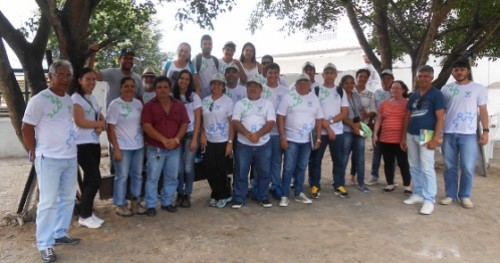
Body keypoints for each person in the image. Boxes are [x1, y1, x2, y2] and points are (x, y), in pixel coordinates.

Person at [22, 60, 81, 263]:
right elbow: (26, 128)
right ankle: (45, 244)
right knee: (47, 203)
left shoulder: (68, 100)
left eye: (68, 75)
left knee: (67, 198)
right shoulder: (39, 100)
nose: (65, 79)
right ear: (51, 76)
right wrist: (34, 151)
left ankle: (59, 232)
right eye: (61, 75)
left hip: (69, 157)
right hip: (48, 159)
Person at [440, 58, 489, 208]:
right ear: (452, 72)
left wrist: (485, 131)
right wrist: (439, 132)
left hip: (468, 134)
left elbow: (483, 110)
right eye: (456, 70)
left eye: (462, 69)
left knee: (468, 166)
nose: (459, 72)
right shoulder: (446, 89)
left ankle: (465, 195)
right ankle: (450, 195)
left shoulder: (478, 88)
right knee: (450, 166)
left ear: (467, 71)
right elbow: (442, 112)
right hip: (448, 133)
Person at [142, 76, 189, 216]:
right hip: (155, 147)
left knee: (172, 176)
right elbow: (147, 126)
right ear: (155, 90)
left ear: (169, 88)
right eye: (159, 87)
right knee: (152, 177)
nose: (162, 90)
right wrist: (163, 140)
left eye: (165, 87)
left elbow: (185, 123)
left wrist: (176, 140)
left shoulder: (179, 105)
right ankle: (150, 205)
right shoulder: (149, 106)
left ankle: (167, 202)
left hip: (174, 148)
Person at [401, 65, 445, 215]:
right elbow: (407, 115)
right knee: (414, 165)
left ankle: (429, 199)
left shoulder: (436, 94)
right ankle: (418, 193)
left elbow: (440, 118)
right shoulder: (414, 95)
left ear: (432, 77)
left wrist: (435, 138)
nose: (423, 79)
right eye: (420, 76)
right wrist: (403, 136)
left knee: (426, 166)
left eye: (426, 76)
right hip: (411, 133)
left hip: (426, 133)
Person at [277, 73, 323, 207]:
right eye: (300, 83)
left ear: (309, 85)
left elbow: (319, 119)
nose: (303, 85)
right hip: (291, 139)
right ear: (295, 85)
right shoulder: (288, 97)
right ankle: (284, 195)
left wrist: (318, 138)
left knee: (302, 167)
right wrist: (282, 137)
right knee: (288, 167)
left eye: (306, 83)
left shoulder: (314, 98)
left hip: (307, 140)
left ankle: (298, 193)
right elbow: (280, 117)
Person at [231, 75, 276, 208]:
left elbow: (271, 122)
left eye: (256, 86)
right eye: (250, 86)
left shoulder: (267, 104)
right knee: (241, 172)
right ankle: (240, 197)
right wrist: (248, 134)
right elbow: (235, 121)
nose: (253, 88)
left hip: (263, 144)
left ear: (261, 89)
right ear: (246, 89)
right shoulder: (240, 104)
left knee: (264, 171)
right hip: (244, 144)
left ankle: (262, 196)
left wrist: (258, 135)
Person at [72, 67, 106, 229]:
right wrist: (99, 124)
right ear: (80, 80)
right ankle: (84, 216)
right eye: (88, 79)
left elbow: (98, 114)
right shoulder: (76, 99)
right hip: (81, 144)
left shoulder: (91, 97)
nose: (92, 82)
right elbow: (80, 122)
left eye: (94, 79)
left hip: (94, 143)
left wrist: (101, 122)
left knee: (88, 180)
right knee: (95, 180)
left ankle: (87, 212)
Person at [308, 63, 348, 199]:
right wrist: (327, 128)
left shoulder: (340, 91)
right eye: (327, 72)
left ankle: (339, 184)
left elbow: (344, 113)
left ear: (336, 75)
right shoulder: (316, 90)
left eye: (332, 72)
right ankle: (314, 185)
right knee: (315, 160)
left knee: (338, 160)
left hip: (338, 132)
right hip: (320, 132)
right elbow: (314, 112)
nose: (329, 75)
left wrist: (330, 124)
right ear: (322, 75)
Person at [107, 77, 146, 217]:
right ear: (120, 88)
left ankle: (135, 202)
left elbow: (142, 124)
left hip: (138, 146)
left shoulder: (138, 104)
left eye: (132, 86)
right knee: (122, 176)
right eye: (126, 86)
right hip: (122, 146)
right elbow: (110, 128)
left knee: (137, 175)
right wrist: (115, 148)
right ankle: (120, 204)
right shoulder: (115, 105)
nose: (129, 89)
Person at [200, 73, 234, 208]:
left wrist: (230, 143)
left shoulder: (228, 101)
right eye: (214, 83)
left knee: (221, 169)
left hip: (223, 140)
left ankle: (223, 194)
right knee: (209, 169)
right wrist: (201, 134)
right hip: (208, 140)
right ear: (210, 86)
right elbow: (201, 120)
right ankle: (217, 192)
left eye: (219, 84)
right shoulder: (205, 100)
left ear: (223, 86)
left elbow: (232, 123)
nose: (216, 86)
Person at [373, 80, 412, 195]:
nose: (394, 90)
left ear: (403, 90)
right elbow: (379, 119)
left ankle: (407, 185)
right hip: (385, 138)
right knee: (388, 162)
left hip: (400, 140)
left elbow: (409, 120)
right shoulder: (384, 104)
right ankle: (390, 183)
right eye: (392, 88)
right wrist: (375, 133)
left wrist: (405, 138)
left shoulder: (407, 103)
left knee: (403, 162)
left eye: (397, 88)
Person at [172, 70, 202, 208]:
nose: (184, 81)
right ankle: (179, 193)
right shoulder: (172, 96)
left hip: (190, 135)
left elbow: (197, 119)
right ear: (178, 80)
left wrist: (196, 137)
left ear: (190, 82)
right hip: (176, 136)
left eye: (187, 79)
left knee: (188, 167)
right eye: (181, 78)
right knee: (178, 168)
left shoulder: (194, 97)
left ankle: (187, 193)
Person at [262, 63, 289, 200]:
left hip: (279, 132)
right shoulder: (261, 90)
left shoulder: (285, 91)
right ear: (265, 74)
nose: (272, 76)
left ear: (279, 74)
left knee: (277, 161)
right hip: (263, 133)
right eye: (269, 73)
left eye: (275, 73)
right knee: (263, 162)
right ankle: (262, 187)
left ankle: (276, 186)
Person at [342, 74, 370, 194]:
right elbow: (341, 115)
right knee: (343, 156)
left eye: (351, 83)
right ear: (342, 85)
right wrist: (353, 126)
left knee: (360, 156)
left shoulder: (356, 96)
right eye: (347, 83)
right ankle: (339, 181)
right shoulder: (340, 96)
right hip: (345, 130)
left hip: (358, 129)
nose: (349, 85)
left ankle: (361, 182)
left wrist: (359, 123)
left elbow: (360, 111)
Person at [367, 69, 394, 185]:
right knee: (377, 152)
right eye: (383, 78)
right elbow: (373, 109)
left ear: (392, 80)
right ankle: (374, 175)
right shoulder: (376, 93)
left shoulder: (395, 92)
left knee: (391, 154)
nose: (385, 80)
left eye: (388, 78)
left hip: (392, 128)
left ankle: (391, 178)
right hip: (379, 126)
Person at [348, 68, 375, 185]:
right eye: (360, 76)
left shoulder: (370, 94)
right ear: (356, 77)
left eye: (365, 77)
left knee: (359, 152)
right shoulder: (348, 91)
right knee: (345, 152)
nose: (362, 78)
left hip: (362, 127)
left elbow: (374, 111)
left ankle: (357, 177)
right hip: (347, 126)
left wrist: (366, 115)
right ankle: (339, 179)